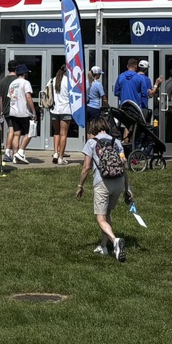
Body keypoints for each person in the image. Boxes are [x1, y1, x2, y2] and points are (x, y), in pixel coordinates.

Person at [72, 117, 128, 260]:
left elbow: (86, 167)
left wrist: (80, 186)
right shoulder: (116, 142)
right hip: (119, 181)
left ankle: (115, 241)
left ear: (94, 128)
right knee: (107, 213)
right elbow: (124, 165)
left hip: (103, 182)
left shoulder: (91, 143)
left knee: (100, 218)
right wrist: (128, 188)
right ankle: (103, 247)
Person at [4, 64, 36, 164]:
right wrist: (33, 111)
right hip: (23, 112)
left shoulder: (12, 83)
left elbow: (10, 97)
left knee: (16, 134)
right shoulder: (25, 83)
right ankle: (20, 152)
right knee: (30, 133)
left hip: (13, 112)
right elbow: (28, 97)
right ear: (24, 73)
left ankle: (15, 155)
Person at [46, 67, 77, 164]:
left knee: (56, 132)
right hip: (66, 110)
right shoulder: (69, 82)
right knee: (63, 134)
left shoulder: (53, 80)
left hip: (54, 109)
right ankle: (61, 157)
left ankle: (55, 152)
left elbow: (47, 91)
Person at [84, 65, 105, 134]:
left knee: (88, 128)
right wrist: (108, 106)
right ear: (97, 75)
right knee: (94, 128)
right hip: (95, 108)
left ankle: (88, 141)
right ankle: (93, 142)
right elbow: (103, 98)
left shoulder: (86, 82)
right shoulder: (98, 84)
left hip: (86, 107)